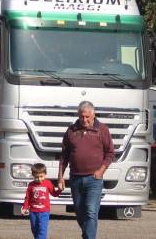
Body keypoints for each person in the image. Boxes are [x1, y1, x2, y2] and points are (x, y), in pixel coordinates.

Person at [58, 101, 113, 239]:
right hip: (75, 178)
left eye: (88, 117)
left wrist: (101, 171)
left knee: (91, 211)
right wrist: (60, 177)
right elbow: (64, 156)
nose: (85, 120)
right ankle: (87, 234)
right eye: (82, 116)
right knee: (80, 212)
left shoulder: (102, 130)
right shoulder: (71, 130)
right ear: (78, 115)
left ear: (93, 115)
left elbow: (110, 153)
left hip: (94, 179)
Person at [21, 162, 59, 239]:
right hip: (33, 212)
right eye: (36, 177)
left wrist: (60, 189)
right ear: (33, 176)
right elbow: (27, 197)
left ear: (45, 174)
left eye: (41, 176)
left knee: (42, 230)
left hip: (44, 212)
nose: (39, 179)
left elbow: (54, 194)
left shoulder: (48, 183)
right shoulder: (31, 185)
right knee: (34, 229)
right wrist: (25, 207)